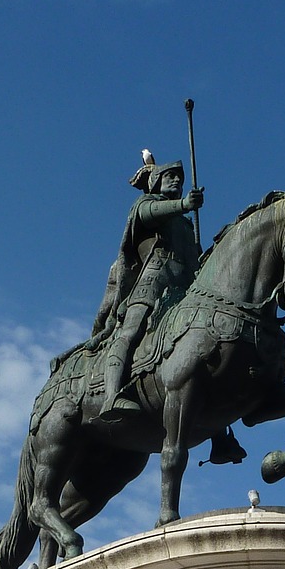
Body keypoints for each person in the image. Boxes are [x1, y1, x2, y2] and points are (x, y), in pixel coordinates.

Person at [95, 153, 203, 421]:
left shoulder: (186, 223)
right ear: (156, 182)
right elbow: (148, 214)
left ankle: (220, 429)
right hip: (153, 282)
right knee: (130, 331)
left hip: (186, 287)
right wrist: (184, 204)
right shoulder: (146, 204)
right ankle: (111, 396)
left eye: (179, 177)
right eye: (170, 176)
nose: (177, 179)